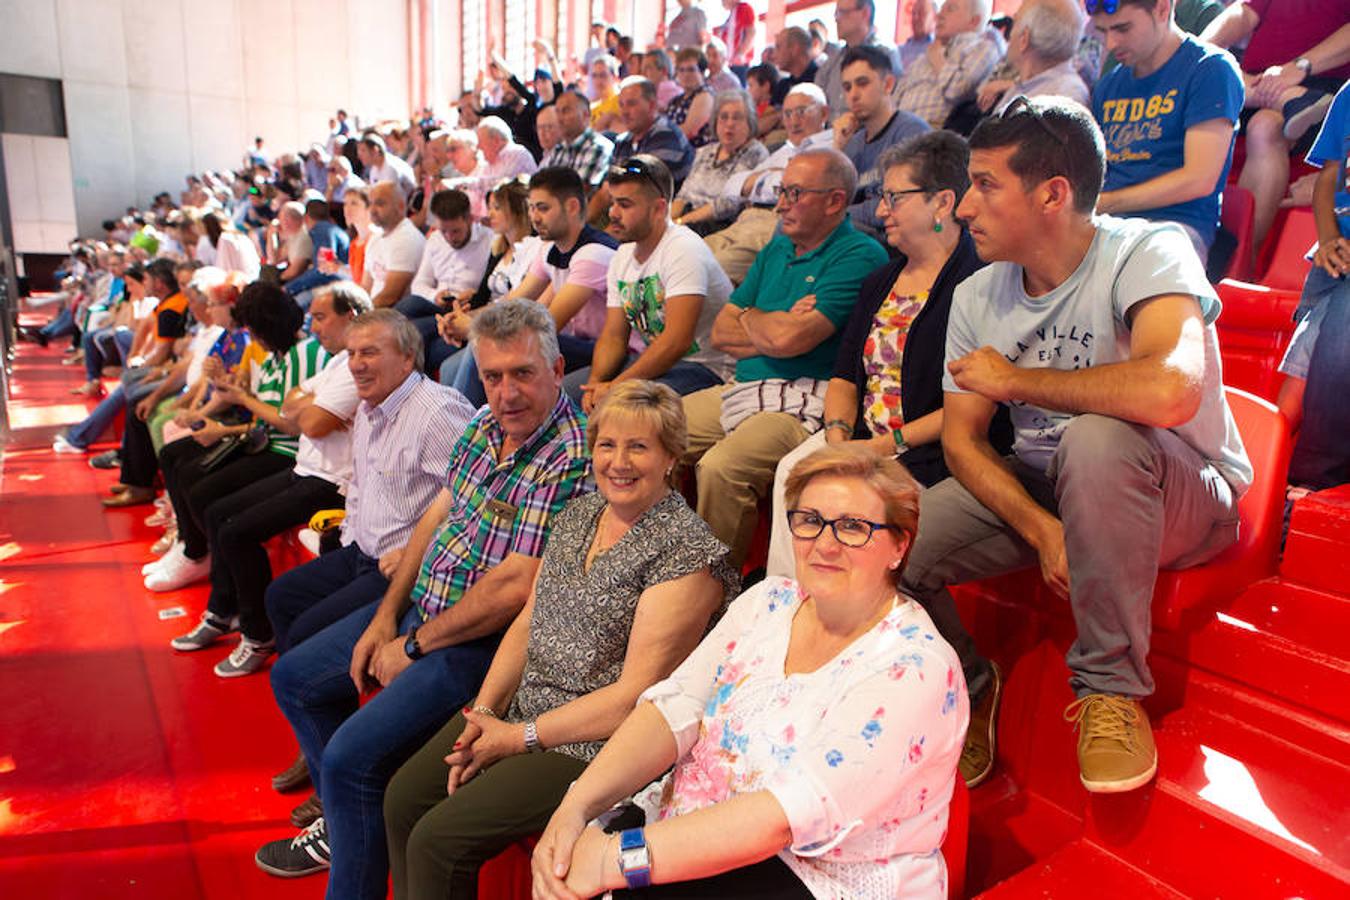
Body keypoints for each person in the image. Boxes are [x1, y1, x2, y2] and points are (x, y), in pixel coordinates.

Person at [901, 97, 1252, 794]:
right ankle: (972, 686)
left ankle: (1111, 690)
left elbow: (1170, 391)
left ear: (1053, 194)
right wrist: (1042, 531)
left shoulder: (1149, 250)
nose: (964, 207)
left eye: (987, 185)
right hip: (1050, 487)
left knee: (1096, 440)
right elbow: (966, 443)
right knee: (884, 540)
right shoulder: (976, 294)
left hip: (1182, 490)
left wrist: (1016, 379)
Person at [255, 301, 590, 899]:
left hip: (478, 648)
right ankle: (348, 816)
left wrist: (411, 644)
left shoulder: (569, 457)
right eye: (492, 376)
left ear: (558, 368)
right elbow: (437, 516)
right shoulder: (487, 429)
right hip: (421, 612)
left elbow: (515, 588)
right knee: (297, 679)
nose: (506, 392)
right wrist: (385, 617)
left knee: (352, 758)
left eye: (523, 373)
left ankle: (348, 851)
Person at [532, 444, 967, 899]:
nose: (824, 544)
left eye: (853, 527)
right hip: (697, 826)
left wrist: (615, 860)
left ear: (899, 545)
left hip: (816, 873)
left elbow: (779, 818)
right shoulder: (769, 602)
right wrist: (576, 806)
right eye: (810, 520)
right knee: (562, 869)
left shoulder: (915, 668)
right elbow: (675, 707)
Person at [383, 381, 737, 898]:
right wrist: (484, 713)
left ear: (670, 458)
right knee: (401, 800)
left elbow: (632, 698)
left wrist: (518, 736)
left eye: (638, 447)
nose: (618, 461)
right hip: (524, 708)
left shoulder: (687, 554)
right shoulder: (578, 515)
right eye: (607, 445)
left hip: (597, 742)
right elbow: (528, 621)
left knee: (439, 840)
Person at [767, 130, 1000, 578]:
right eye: (882, 197)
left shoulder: (979, 284)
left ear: (942, 202)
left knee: (853, 504)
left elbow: (970, 403)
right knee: (793, 471)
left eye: (894, 197)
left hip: (925, 451)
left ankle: (845, 616)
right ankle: (788, 609)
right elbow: (845, 377)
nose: (879, 211)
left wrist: (881, 447)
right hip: (861, 438)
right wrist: (837, 439)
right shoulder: (880, 281)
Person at [683, 148, 888, 567]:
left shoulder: (860, 255)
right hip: (743, 388)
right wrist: (772, 327)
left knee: (722, 468)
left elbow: (793, 340)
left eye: (794, 193)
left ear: (834, 201)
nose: (780, 205)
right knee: (648, 431)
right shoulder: (777, 249)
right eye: (781, 192)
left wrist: (752, 316)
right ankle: (653, 566)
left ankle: (708, 596)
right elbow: (722, 331)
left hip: (803, 398)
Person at [166, 283, 368, 677]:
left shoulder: (341, 362)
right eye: (312, 318)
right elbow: (292, 404)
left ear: (352, 318)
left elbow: (303, 420)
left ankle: (257, 635)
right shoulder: (334, 361)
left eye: (322, 317)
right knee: (218, 511)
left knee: (234, 530)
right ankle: (222, 611)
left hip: (329, 479)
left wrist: (300, 407)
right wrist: (300, 407)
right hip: (304, 468)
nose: (315, 326)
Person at [146, 283, 331, 593]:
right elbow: (261, 407)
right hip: (266, 440)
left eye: (322, 317)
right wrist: (223, 389)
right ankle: (193, 549)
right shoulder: (277, 354)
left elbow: (287, 423)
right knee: (178, 461)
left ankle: (201, 559)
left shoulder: (306, 354)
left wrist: (229, 416)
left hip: (286, 452)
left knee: (207, 495)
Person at [564, 156, 734, 410]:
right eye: (612, 203)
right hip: (657, 363)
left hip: (706, 367)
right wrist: (596, 383)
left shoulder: (683, 249)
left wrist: (616, 387)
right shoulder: (622, 255)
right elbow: (612, 336)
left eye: (625, 205)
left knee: (621, 408)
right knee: (562, 399)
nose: (612, 213)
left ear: (658, 209)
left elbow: (677, 341)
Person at [1091, 0, 1243, 260]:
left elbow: (1199, 179)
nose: (1111, 44)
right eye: (1103, 32)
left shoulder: (1210, 68)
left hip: (1173, 230)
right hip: (1107, 227)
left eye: (1122, 29)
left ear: (1162, 9)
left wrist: (1104, 203)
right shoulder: (1110, 84)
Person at [1201, 0, 1350, 253]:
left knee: (1265, 127)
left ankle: (1239, 259)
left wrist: (1299, 67)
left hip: (1323, 83)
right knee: (1208, 90)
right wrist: (1200, 49)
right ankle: (1287, 99)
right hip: (1260, 81)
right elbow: (1244, 13)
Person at [1279, 81, 1350, 489]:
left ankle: (1313, 482)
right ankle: (1261, 470)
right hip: (1336, 259)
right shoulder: (1348, 95)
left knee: (1340, 334)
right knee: (1297, 387)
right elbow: (1328, 178)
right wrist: (1326, 239)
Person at [704, 83, 834, 284]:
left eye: (801, 112)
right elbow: (731, 187)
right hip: (743, 219)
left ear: (824, 113)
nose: (793, 121)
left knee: (711, 270)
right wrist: (773, 176)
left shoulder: (830, 147)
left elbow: (798, 189)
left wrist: (759, 180)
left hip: (773, 222)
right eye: (787, 114)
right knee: (687, 256)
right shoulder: (783, 151)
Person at [435, 180, 547, 407]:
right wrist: (462, 314)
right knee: (446, 357)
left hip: (508, 323)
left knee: (471, 348)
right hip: (491, 317)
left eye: (497, 208)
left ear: (516, 211)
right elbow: (484, 296)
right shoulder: (498, 248)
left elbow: (519, 302)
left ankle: (457, 426)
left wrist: (473, 321)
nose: (490, 214)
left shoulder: (535, 248)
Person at [509, 167, 619, 374]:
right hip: (583, 346)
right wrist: (472, 322)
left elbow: (549, 324)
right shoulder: (550, 248)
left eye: (542, 208)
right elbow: (518, 302)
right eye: (531, 208)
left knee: (522, 347)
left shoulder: (594, 253)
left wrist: (473, 329)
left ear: (572, 207)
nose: (535, 217)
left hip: (614, 352)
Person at [833, 46, 931, 240]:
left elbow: (901, 205)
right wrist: (838, 148)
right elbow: (831, 199)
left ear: (887, 84)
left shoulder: (912, 132)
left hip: (892, 237)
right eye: (847, 87)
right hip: (857, 230)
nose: (853, 94)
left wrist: (833, 216)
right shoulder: (852, 142)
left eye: (862, 83)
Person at [397, 189, 493, 370]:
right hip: (437, 305)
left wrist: (476, 296)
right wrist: (436, 295)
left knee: (412, 332)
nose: (450, 237)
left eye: (456, 231)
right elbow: (419, 284)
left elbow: (495, 291)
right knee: (409, 305)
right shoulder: (435, 239)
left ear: (469, 219)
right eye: (444, 231)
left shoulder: (488, 240)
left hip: (469, 308)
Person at [588, 78, 696, 222]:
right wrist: (582, 229)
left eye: (631, 104)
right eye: (621, 105)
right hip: (627, 216)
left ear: (651, 105)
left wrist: (606, 239)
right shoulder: (623, 141)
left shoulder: (666, 135)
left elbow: (641, 194)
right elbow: (607, 190)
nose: (624, 112)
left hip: (660, 220)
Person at [670, 89, 770, 234]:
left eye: (737, 118)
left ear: (750, 123)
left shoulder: (755, 153)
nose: (729, 124)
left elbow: (728, 204)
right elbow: (683, 195)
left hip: (719, 227)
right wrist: (667, 223)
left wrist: (680, 223)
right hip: (686, 223)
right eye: (723, 117)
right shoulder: (705, 152)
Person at [893, 0, 1004, 128]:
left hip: (935, 132)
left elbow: (956, 91)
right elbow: (898, 94)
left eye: (950, 9)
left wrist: (937, 59)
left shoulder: (983, 48)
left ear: (974, 21)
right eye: (941, 10)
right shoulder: (927, 54)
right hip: (900, 128)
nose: (939, 15)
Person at [975, 0, 1089, 116]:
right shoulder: (1026, 86)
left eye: (1015, 22)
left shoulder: (1063, 98)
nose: (1009, 35)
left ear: (1024, 40)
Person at [817, 0, 907, 118]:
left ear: (865, 13)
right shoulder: (832, 62)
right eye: (836, 14)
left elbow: (893, 106)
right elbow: (816, 103)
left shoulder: (885, 55)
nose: (836, 19)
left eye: (842, 12)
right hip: (828, 134)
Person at [362, 182, 426, 308]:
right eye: (371, 203)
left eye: (380, 203)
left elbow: (390, 297)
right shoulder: (375, 238)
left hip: (394, 317)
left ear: (401, 206)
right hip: (373, 312)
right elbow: (365, 288)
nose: (373, 210)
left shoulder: (407, 238)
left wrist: (361, 318)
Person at [540, 89, 616, 193]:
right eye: (557, 112)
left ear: (586, 115)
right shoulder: (557, 151)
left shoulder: (600, 148)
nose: (559, 118)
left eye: (566, 111)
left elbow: (582, 192)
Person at [759, 27, 823, 136]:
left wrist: (779, 116)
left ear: (794, 49)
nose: (774, 55)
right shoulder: (782, 85)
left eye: (778, 47)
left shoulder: (820, 80)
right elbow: (760, 125)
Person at [666, 47, 716, 147]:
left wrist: (659, 138)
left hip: (695, 155)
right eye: (681, 70)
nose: (685, 75)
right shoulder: (677, 99)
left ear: (702, 72)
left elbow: (689, 131)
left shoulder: (705, 95)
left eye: (691, 70)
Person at [359, 132, 418, 199]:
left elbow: (394, 199)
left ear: (375, 150)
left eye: (363, 150)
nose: (359, 155)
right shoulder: (374, 168)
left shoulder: (391, 168)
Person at [716, 0, 757, 80]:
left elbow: (751, 33)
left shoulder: (744, 8)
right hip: (730, 64)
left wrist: (739, 55)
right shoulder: (731, 15)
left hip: (739, 64)